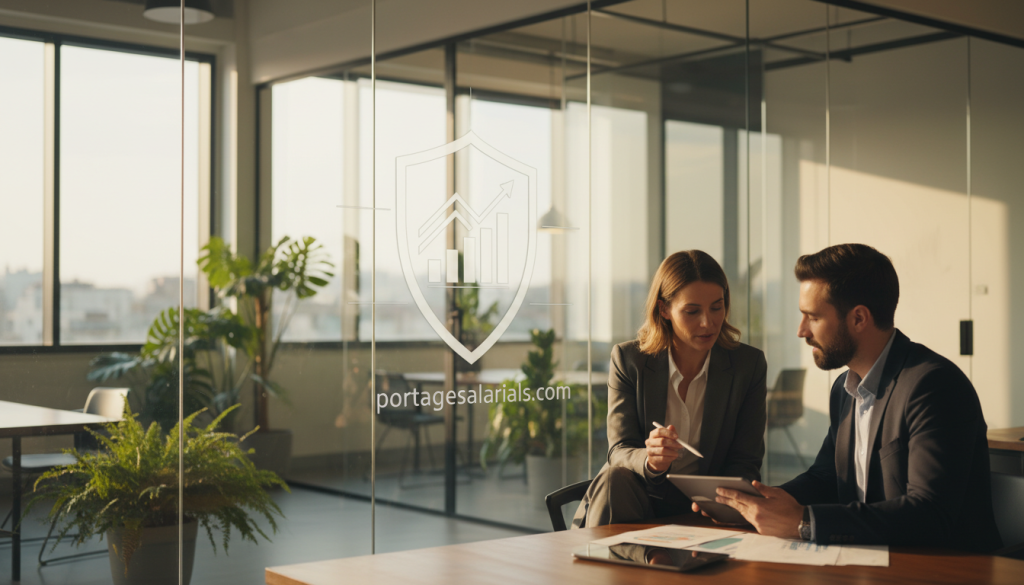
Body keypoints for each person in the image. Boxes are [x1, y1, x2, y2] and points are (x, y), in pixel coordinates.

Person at [698, 243, 1002, 552]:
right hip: (872, 563)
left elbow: (930, 515)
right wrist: (754, 504)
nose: (801, 331)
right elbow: (825, 478)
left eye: (812, 317)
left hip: (946, 569)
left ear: (858, 318)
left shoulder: (934, 386)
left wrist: (805, 522)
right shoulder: (845, 388)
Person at [572, 250, 767, 527]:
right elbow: (619, 449)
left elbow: (746, 461)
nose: (708, 322)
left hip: (705, 506)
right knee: (614, 477)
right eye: (692, 311)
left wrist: (716, 503)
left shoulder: (748, 365)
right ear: (664, 310)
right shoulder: (630, 361)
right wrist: (651, 460)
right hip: (638, 495)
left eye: (716, 307)